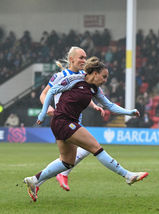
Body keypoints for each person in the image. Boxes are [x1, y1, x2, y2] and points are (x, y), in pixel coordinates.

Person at [24, 57, 148, 202]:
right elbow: (51, 92)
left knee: (67, 162)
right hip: (63, 121)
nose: (105, 80)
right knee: (95, 147)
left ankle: (34, 180)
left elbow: (109, 105)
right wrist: (42, 113)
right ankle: (127, 175)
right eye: (104, 76)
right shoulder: (74, 79)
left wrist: (129, 112)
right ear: (95, 73)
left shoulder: (95, 89)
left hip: (64, 122)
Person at [39, 47, 105, 192]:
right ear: (71, 59)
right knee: (88, 149)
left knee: (69, 158)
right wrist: (48, 107)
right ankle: (60, 175)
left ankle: (37, 181)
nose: (84, 60)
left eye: (85, 57)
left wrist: (94, 105)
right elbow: (43, 95)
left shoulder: (83, 75)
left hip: (76, 119)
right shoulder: (59, 76)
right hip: (64, 120)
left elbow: (84, 95)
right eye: (81, 57)